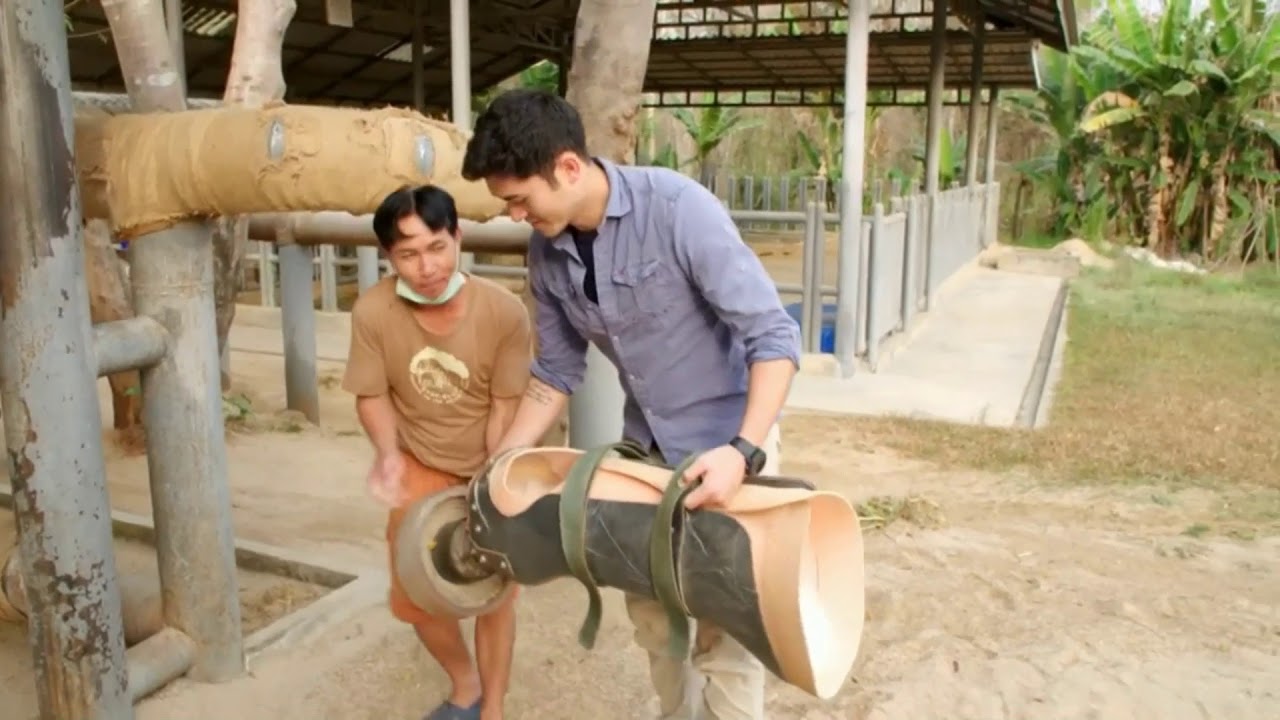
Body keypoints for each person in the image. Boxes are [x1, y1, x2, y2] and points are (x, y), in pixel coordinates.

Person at [460, 88, 801, 720]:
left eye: (520, 199)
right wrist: (501, 463)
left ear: (567, 167)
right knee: (652, 615)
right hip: (642, 454)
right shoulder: (546, 251)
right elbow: (555, 373)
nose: (514, 215)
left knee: (727, 628)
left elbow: (774, 338)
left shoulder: (677, 209)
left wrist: (743, 453)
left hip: (727, 446)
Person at [341, 184, 532, 720]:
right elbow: (372, 394)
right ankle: (465, 686)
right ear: (388, 255)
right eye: (408, 254)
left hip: (490, 459)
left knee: (495, 592)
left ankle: (493, 708)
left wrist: (492, 484)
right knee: (416, 593)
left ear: (458, 237)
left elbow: (505, 407)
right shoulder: (373, 311)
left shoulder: (504, 312)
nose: (426, 267)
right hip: (420, 461)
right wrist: (388, 455)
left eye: (437, 247)